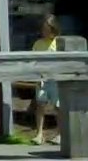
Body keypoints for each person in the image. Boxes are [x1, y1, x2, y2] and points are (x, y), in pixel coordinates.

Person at [32, 14, 61, 145]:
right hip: (42, 78)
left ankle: (60, 133)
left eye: (48, 30)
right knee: (40, 105)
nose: (45, 32)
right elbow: (34, 61)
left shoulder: (59, 43)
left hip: (55, 79)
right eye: (44, 30)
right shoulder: (38, 44)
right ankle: (39, 134)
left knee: (57, 107)